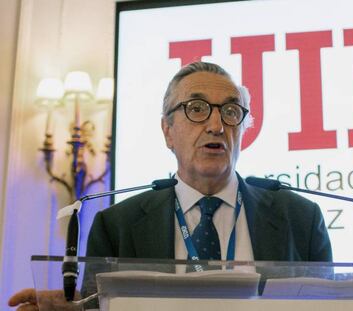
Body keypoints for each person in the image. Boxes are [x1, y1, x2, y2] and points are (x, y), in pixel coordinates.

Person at [9, 61, 332, 310]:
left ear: (243, 131)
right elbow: (101, 308)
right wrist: (78, 308)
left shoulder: (301, 219)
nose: (217, 126)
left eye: (231, 112)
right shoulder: (117, 225)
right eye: (196, 109)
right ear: (167, 131)